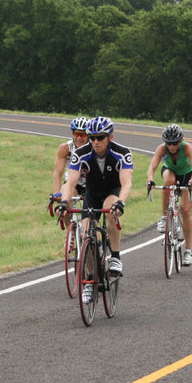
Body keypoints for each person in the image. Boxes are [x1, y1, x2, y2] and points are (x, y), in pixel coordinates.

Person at [59, 116, 133, 291]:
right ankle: (90, 280)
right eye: (92, 137)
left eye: (100, 137)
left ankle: (115, 256)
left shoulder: (122, 152)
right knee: (86, 236)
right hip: (92, 194)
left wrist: (121, 202)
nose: (95, 141)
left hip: (112, 191)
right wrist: (64, 202)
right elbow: (70, 183)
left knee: (111, 211)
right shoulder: (80, 153)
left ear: (110, 136)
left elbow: (127, 183)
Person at [146, 123, 192, 266]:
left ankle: (188, 251)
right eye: (169, 143)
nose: (172, 147)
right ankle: (164, 217)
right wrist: (150, 179)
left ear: (180, 141)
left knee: (186, 211)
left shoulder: (187, 148)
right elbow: (152, 167)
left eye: (175, 143)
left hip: (187, 176)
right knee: (168, 182)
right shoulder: (162, 149)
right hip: (171, 172)